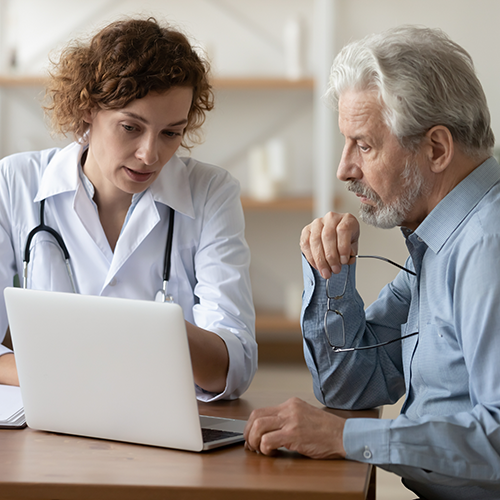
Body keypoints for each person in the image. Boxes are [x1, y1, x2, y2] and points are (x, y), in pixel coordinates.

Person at [244, 25, 500, 499]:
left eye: (363, 145)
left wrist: (343, 438)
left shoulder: (488, 247)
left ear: (437, 149)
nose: (344, 169)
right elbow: (351, 386)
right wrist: (331, 276)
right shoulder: (437, 241)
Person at [0, 17, 257, 402]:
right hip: (54, 421)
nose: (150, 155)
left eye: (171, 133)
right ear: (88, 109)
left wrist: (152, 330)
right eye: (131, 127)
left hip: (162, 426)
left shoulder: (210, 192)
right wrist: (80, 372)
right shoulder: (14, 181)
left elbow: (233, 366)